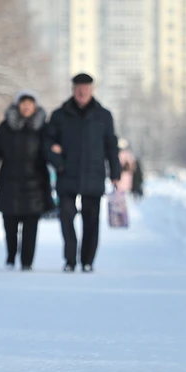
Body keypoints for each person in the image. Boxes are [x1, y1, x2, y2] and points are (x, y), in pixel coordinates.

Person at [44, 73, 120, 273]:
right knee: (67, 219)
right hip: (67, 175)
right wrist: (58, 163)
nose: (82, 91)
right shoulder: (60, 115)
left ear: (92, 90)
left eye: (86, 88)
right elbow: (47, 144)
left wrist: (115, 173)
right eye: (78, 88)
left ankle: (87, 260)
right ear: (73, 89)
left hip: (93, 175)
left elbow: (111, 146)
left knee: (91, 221)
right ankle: (70, 260)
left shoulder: (103, 115)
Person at [0, 90, 54, 271]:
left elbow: (52, 153)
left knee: (31, 225)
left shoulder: (43, 128)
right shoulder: (5, 127)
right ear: (17, 105)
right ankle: (11, 256)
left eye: (30, 103)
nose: (26, 106)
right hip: (9, 182)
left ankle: (27, 261)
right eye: (23, 103)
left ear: (35, 106)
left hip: (35, 184)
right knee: (10, 224)